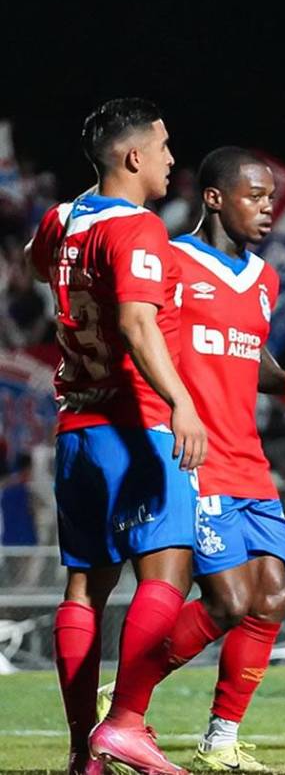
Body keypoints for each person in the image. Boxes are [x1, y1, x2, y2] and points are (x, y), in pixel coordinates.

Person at [26, 98, 206, 775]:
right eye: (163, 147)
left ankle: (83, 752)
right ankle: (126, 722)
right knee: (168, 571)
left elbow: (36, 261)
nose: (171, 159)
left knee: (84, 589)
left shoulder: (63, 219)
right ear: (133, 157)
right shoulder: (139, 228)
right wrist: (182, 402)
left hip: (76, 427)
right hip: (137, 424)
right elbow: (136, 323)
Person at [144, 147, 285, 771]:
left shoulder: (264, 278)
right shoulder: (171, 261)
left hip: (249, 459)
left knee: (272, 596)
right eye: (256, 196)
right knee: (230, 600)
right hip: (196, 456)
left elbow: (250, 352)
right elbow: (139, 334)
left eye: (271, 197)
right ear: (215, 198)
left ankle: (220, 741)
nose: (268, 208)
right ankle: (128, 697)